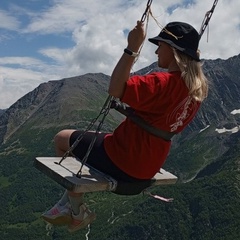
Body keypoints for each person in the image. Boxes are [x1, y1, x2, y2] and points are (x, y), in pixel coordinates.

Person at [42, 20, 208, 232]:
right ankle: (70, 207)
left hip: (122, 160)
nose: (157, 51)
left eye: (161, 45)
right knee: (97, 136)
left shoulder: (161, 82)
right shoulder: (196, 92)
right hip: (148, 167)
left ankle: (76, 209)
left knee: (61, 138)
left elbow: (115, 88)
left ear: (173, 50)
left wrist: (132, 48)